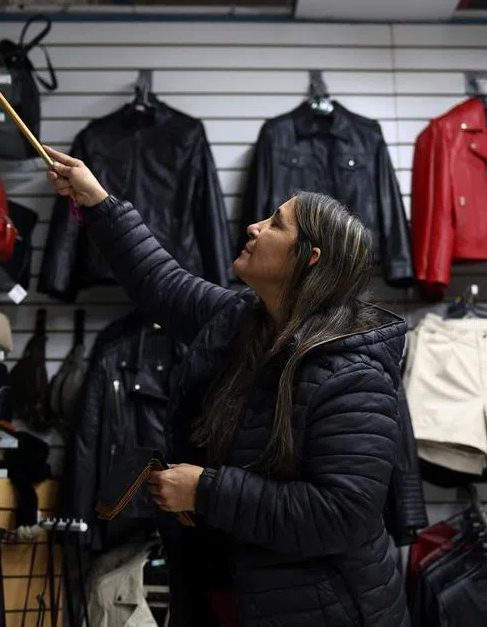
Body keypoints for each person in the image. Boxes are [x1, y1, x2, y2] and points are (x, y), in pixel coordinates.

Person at [46, 146, 410, 627]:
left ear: (308, 258)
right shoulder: (244, 321)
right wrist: (99, 203)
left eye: (276, 224)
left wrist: (207, 491)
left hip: (324, 611)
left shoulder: (353, 376)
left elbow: (339, 514)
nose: (254, 227)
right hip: (236, 596)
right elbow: (163, 284)